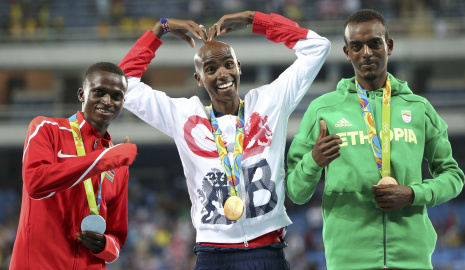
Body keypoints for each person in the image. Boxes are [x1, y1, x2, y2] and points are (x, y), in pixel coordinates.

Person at [118, 10, 330, 269]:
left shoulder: (270, 103)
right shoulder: (183, 116)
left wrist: (254, 20)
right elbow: (123, 84)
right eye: (211, 68)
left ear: (238, 67)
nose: (222, 74)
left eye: (228, 64)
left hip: (267, 251)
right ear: (199, 78)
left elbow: (318, 47)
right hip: (212, 254)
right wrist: (160, 29)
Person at [286, 8, 465, 270]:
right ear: (347, 53)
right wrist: (313, 162)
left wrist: (413, 193)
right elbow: (295, 191)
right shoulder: (323, 110)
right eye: (356, 46)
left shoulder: (418, 108)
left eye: (374, 43)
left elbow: (453, 176)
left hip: (411, 259)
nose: (366, 53)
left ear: (388, 46)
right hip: (348, 260)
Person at [10, 62, 138, 270]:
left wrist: (105, 245)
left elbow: (117, 234)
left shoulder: (118, 164)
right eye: (99, 92)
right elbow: (36, 183)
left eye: (116, 96)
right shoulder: (46, 129)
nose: (107, 101)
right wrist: (105, 159)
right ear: (81, 94)